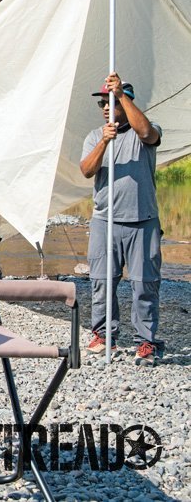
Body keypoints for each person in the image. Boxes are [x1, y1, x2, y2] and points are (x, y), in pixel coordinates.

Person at [80, 73, 164, 366]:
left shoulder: (145, 131)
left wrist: (123, 96)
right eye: (103, 103)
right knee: (102, 281)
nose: (105, 107)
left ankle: (146, 342)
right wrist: (104, 142)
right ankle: (103, 335)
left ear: (125, 102)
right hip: (106, 221)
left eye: (111, 102)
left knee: (145, 283)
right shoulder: (96, 135)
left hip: (143, 221)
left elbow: (147, 133)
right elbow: (87, 170)